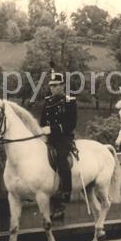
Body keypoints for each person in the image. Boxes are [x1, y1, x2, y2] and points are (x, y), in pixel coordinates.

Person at [40, 70, 77, 219]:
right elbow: (42, 121)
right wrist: (42, 130)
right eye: (51, 86)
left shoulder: (69, 101)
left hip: (64, 138)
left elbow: (71, 124)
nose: (53, 88)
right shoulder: (48, 101)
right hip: (48, 138)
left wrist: (53, 129)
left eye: (56, 85)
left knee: (61, 159)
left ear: (62, 86)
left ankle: (65, 192)